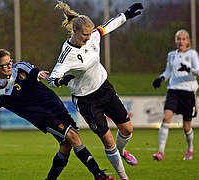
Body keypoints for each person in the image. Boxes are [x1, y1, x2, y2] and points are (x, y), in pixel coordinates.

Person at [0, 49, 115, 180]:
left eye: (10, 62)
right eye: (5, 65)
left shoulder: (20, 67)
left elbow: (39, 73)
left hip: (55, 106)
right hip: (42, 117)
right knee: (73, 136)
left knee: (66, 146)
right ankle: (98, 174)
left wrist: (56, 79)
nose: (9, 66)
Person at [48, 2, 143, 179]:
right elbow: (51, 79)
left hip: (104, 89)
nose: (88, 38)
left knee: (128, 129)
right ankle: (124, 177)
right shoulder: (67, 54)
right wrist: (60, 81)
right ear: (74, 32)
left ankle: (122, 151)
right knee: (108, 140)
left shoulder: (92, 36)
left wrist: (126, 15)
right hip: (86, 100)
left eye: (89, 34)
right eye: (84, 35)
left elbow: (106, 27)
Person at [152, 29, 199, 161]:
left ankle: (190, 150)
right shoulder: (171, 55)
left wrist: (189, 70)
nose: (181, 41)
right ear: (175, 41)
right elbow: (168, 71)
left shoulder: (192, 54)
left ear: (188, 41)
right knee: (166, 117)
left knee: (187, 126)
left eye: (183, 39)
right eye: (179, 39)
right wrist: (161, 78)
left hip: (188, 92)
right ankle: (160, 152)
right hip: (174, 90)